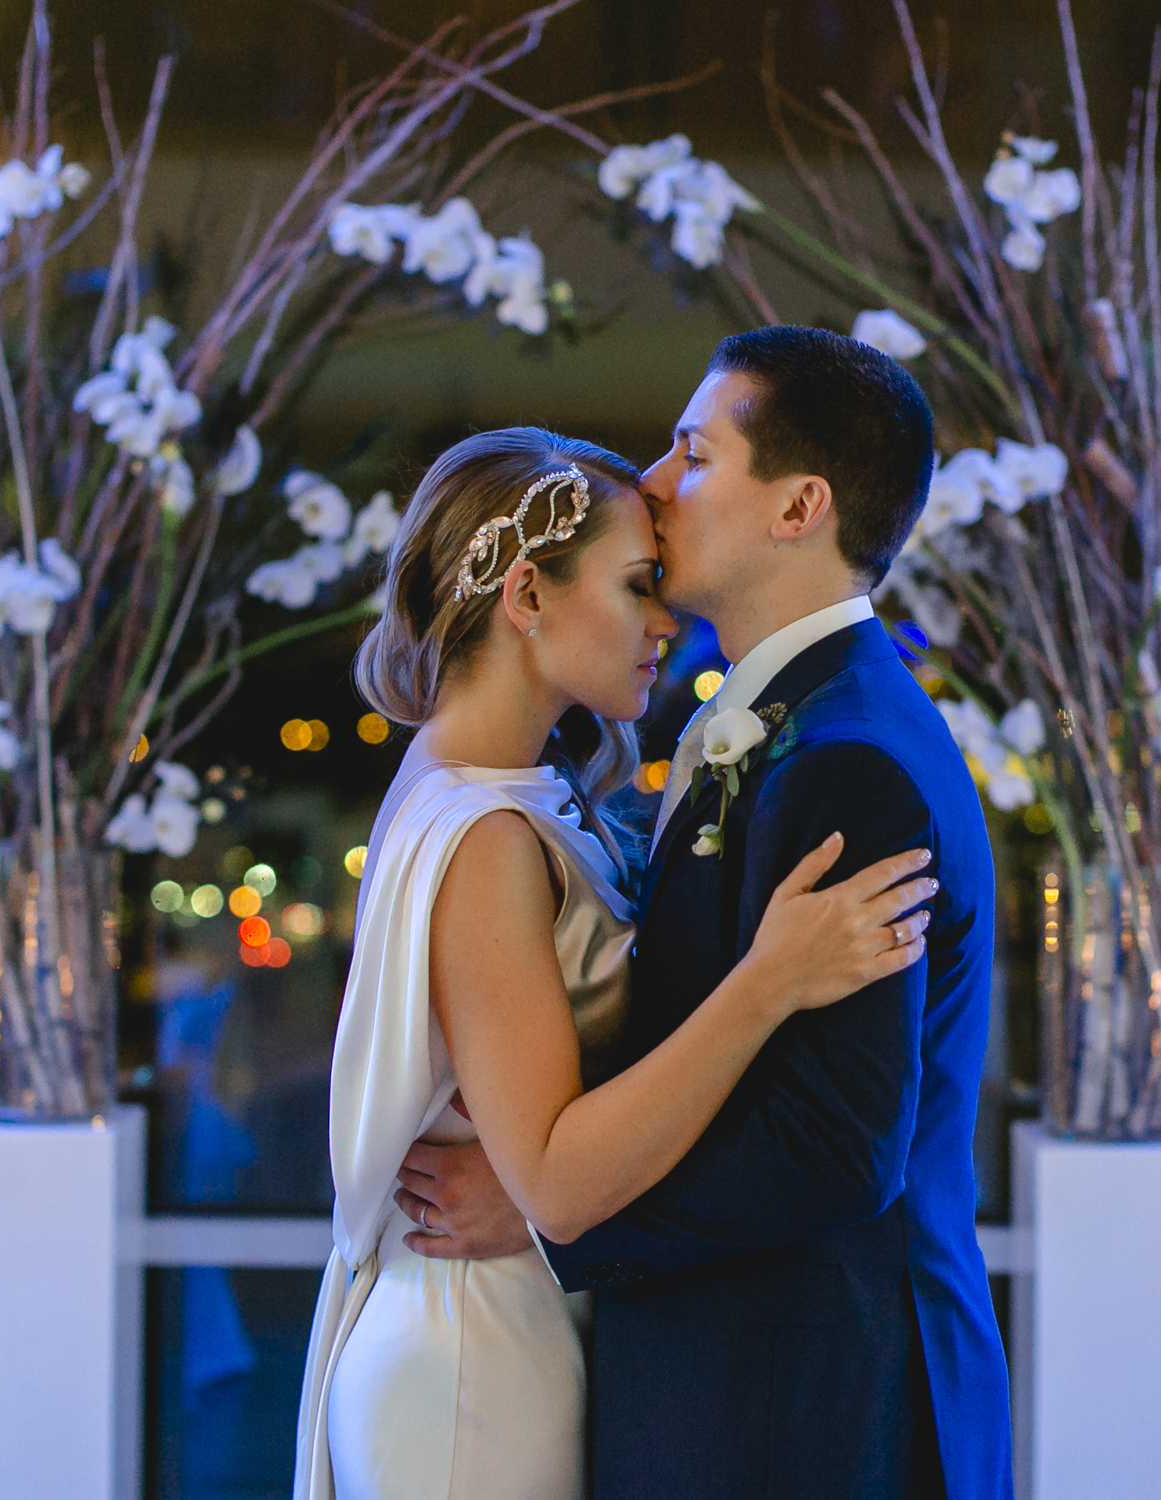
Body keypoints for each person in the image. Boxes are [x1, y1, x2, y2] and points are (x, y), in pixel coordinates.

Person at [395, 328, 1013, 1499]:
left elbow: (833, 1149)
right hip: (754, 1388)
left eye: (693, 451)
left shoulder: (849, 763)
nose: (654, 481)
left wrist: (549, 1213)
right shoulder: (785, 720)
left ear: (799, 507)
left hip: (808, 1412)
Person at [293, 425, 938, 1500]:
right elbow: (551, 1178)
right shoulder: (488, 837)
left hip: (511, 1326)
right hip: (469, 1370)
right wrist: (770, 980)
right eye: (638, 586)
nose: (664, 621)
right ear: (527, 595)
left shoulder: (504, 782)